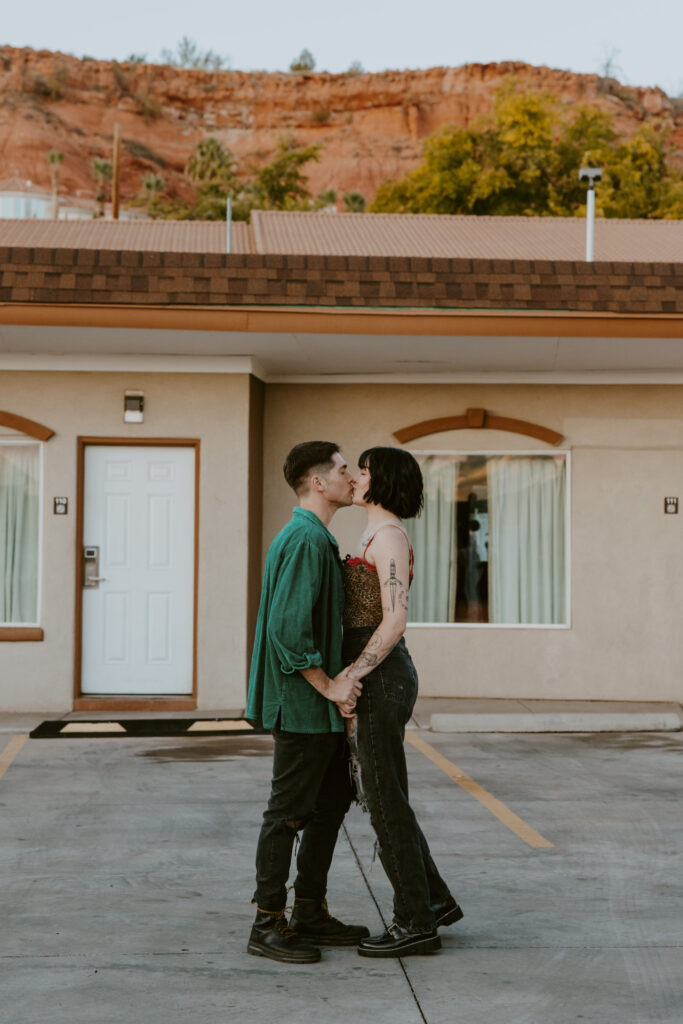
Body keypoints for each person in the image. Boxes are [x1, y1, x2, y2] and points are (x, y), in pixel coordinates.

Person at [246, 441, 370, 964]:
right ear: (318, 483)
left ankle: (310, 911)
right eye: (343, 469)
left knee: (331, 803)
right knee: (289, 813)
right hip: (299, 705)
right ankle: (267, 922)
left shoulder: (316, 536)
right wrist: (332, 686)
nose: (351, 476)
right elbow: (287, 632)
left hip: (314, 708)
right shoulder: (303, 539)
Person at [337, 446, 464, 958]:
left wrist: (351, 675)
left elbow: (394, 620)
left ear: (381, 481)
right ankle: (431, 901)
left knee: (383, 800)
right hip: (381, 673)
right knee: (389, 796)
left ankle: (414, 923)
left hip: (382, 676)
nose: (356, 478)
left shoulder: (387, 537)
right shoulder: (373, 532)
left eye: (363, 471)